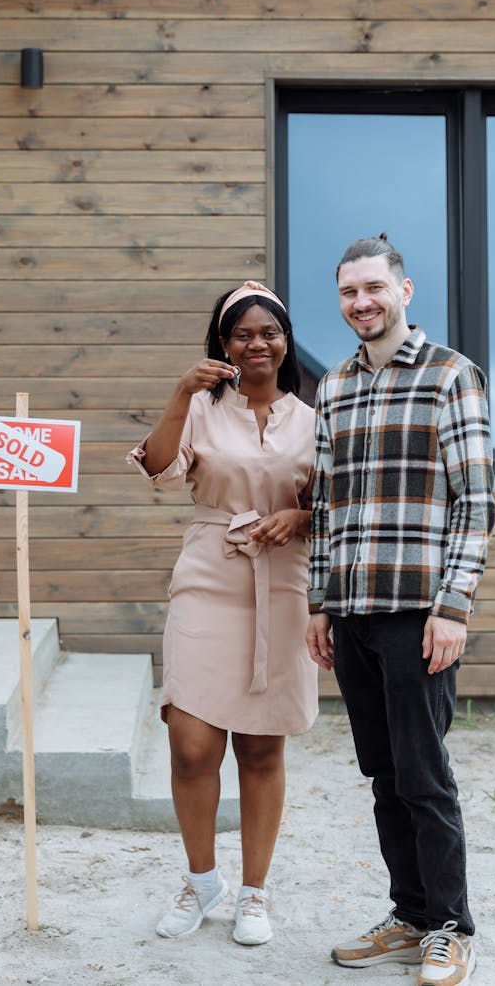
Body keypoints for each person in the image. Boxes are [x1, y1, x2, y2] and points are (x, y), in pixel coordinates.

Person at [306, 234, 495, 986]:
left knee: (424, 776)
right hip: (350, 613)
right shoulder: (334, 388)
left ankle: (452, 927)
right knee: (383, 773)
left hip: (418, 614)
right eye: (349, 291)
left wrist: (453, 607)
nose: (362, 302)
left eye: (374, 289)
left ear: (404, 291)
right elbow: (323, 506)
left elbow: (475, 503)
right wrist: (319, 604)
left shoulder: (452, 375)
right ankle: (410, 915)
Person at [126, 281, 318, 947]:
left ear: (286, 341)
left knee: (262, 747)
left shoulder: (314, 417)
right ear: (223, 345)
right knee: (191, 745)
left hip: (283, 584)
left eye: (269, 331)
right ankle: (200, 879)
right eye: (242, 333)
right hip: (208, 577)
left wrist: (300, 515)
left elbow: (332, 501)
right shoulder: (203, 409)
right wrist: (181, 392)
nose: (256, 342)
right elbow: (156, 467)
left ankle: (255, 892)